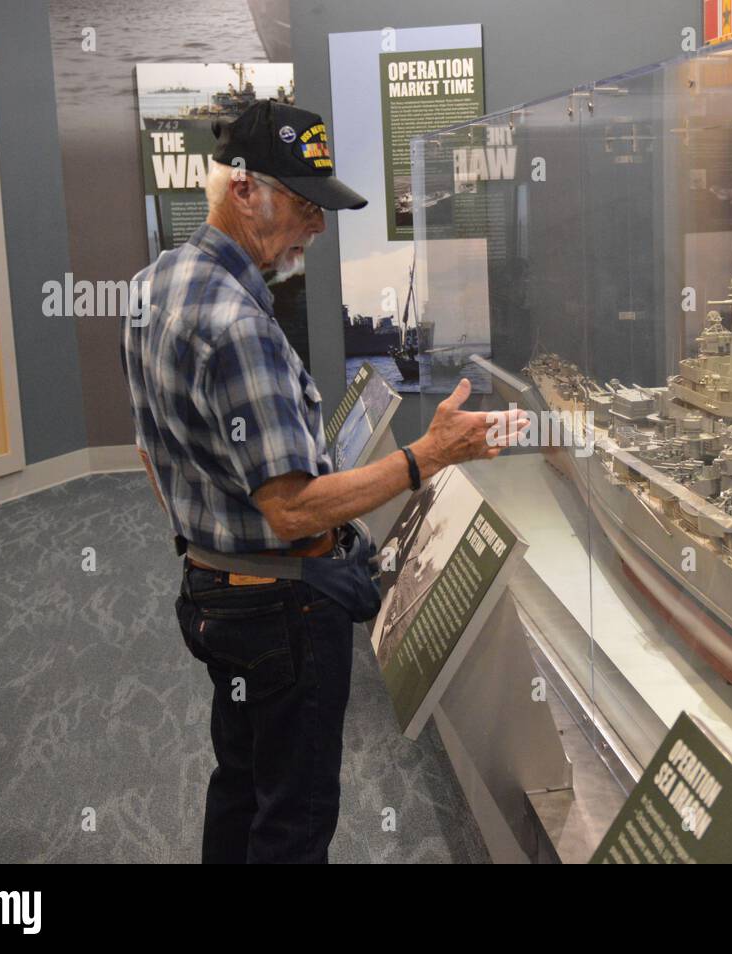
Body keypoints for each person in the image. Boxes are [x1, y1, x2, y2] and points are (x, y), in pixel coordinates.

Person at [120, 99, 523, 863]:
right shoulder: (238, 324)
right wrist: (429, 454)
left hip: (210, 595)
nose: (317, 226)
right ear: (244, 191)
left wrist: (208, 542)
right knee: (294, 820)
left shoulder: (149, 288)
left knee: (239, 783)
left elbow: (152, 454)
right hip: (279, 613)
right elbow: (295, 511)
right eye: (305, 206)